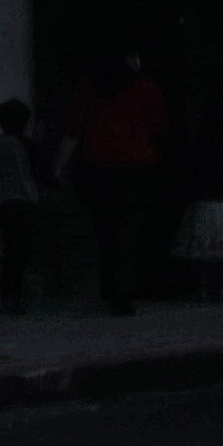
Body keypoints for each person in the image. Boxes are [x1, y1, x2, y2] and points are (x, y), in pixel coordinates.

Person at [72, 54, 168, 315]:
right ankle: (124, 289)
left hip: (98, 163)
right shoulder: (145, 86)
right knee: (130, 229)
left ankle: (109, 285)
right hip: (136, 164)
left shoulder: (87, 86)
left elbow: (76, 126)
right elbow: (158, 126)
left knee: (105, 227)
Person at [0, 99, 50, 317]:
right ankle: (14, 296)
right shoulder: (25, 145)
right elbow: (43, 173)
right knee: (21, 250)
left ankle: (7, 294)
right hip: (24, 201)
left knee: (11, 248)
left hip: (2, 202)